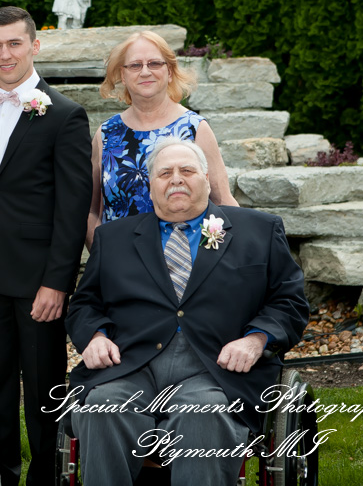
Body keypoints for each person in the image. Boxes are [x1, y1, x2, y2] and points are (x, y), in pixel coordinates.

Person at [66, 138, 309, 486]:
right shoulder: (113, 238)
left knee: (202, 415)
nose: (176, 179)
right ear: (150, 186)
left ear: (207, 180)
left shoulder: (259, 230)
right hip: (132, 365)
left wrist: (255, 340)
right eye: (165, 173)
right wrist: (95, 336)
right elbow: (85, 304)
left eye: (187, 170)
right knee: (103, 406)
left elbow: (290, 301)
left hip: (215, 370)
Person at [0, 7, 92, 486]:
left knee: (43, 389)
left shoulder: (64, 115)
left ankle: (47, 477)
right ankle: (0, 474)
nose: (4, 54)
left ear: (35, 46)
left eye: (14, 44)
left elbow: (72, 208)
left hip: (39, 280)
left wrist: (57, 281)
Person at [87, 30, 238, 249]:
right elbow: (92, 210)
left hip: (187, 263)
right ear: (123, 74)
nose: (145, 71)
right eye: (135, 65)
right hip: (123, 267)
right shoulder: (106, 135)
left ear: (169, 72)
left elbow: (223, 201)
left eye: (155, 64)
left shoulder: (195, 128)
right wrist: (104, 258)